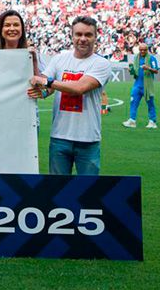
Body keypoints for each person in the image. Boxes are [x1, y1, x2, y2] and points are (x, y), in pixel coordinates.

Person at [28, 16, 113, 176]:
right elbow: (42, 87)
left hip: (88, 139)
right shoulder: (59, 59)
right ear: (72, 36)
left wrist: (47, 82)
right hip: (59, 137)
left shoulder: (101, 63)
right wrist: (33, 60)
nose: (83, 39)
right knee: (57, 188)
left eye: (88, 35)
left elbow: (79, 88)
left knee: (88, 188)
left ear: (96, 37)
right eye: (78, 34)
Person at [0, 9, 40, 73]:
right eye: (7, 25)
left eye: (16, 25)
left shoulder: (32, 55)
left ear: (22, 29)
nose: (12, 29)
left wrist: (34, 63)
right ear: (0, 29)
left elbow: (39, 79)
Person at [124, 40, 158, 129]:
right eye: (141, 50)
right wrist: (130, 70)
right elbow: (135, 71)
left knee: (150, 104)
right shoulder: (136, 58)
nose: (142, 51)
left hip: (147, 86)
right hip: (137, 85)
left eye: (144, 50)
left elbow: (156, 70)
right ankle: (132, 120)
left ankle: (152, 121)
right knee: (133, 102)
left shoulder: (152, 58)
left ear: (147, 50)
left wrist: (148, 68)